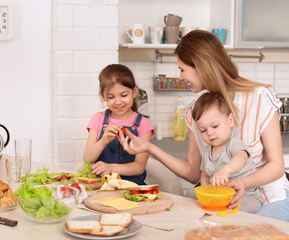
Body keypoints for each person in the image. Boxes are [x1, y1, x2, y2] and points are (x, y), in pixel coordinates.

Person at [119, 30, 289, 221]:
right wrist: (149, 148)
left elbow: (277, 167)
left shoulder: (260, 99)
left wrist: (243, 182)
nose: (181, 77)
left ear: (201, 66)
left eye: (182, 69)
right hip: (222, 202)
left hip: (268, 200)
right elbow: (193, 173)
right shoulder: (196, 112)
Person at [193, 92, 265, 213]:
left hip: (246, 196)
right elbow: (205, 174)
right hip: (220, 197)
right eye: (203, 130)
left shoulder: (233, 143)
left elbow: (241, 158)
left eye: (215, 126)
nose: (209, 133)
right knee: (190, 195)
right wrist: (206, 192)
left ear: (230, 121)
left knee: (234, 209)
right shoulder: (206, 151)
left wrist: (226, 170)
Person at [83, 64, 154, 185]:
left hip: (131, 188)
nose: (118, 102)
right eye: (111, 97)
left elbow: (139, 167)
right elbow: (87, 159)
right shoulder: (98, 119)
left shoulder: (143, 124)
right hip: (101, 186)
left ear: (135, 91)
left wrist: (110, 168)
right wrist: (103, 141)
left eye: (124, 95)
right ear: (104, 97)